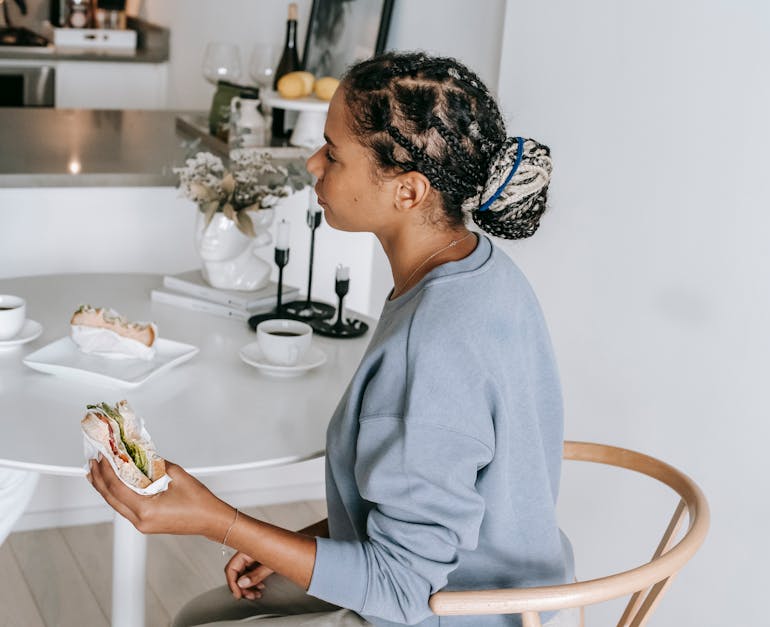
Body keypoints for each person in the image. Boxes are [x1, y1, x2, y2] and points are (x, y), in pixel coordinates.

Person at [87, 51, 577, 627]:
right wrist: (285, 541)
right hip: (513, 587)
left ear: (409, 191)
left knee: (198, 622)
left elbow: (403, 589)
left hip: (457, 611)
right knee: (204, 613)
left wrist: (215, 520)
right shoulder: (482, 271)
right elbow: (441, 490)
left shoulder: (434, 344)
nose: (313, 164)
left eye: (334, 153)